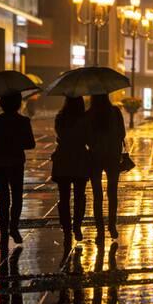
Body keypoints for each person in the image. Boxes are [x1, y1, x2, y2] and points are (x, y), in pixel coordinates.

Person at [0, 91, 35, 245]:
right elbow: (31, 144)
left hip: (0, 163)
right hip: (16, 163)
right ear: (19, 104)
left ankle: (3, 233)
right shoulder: (23, 121)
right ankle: (14, 228)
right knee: (17, 198)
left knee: (4, 199)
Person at [87, 94, 126, 243]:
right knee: (112, 192)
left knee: (97, 195)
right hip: (113, 156)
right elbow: (122, 133)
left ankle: (100, 231)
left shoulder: (89, 114)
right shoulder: (115, 111)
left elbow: (85, 136)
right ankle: (112, 225)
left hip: (95, 157)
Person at [52, 96, 90, 244]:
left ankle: (66, 226)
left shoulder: (60, 118)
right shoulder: (84, 119)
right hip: (80, 158)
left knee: (64, 196)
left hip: (63, 158)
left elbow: (60, 136)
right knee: (80, 195)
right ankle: (77, 226)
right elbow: (87, 139)